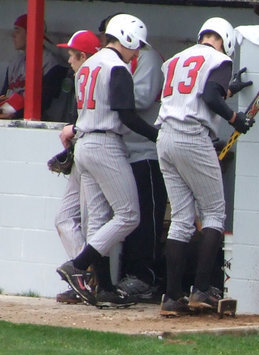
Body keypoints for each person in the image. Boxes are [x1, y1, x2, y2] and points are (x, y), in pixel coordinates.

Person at [55, 14, 158, 307]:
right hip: (105, 144)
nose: (137, 51)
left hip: (84, 144)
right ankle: (78, 265)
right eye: (135, 44)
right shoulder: (117, 67)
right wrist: (156, 135)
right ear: (124, 38)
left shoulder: (87, 65)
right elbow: (126, 114)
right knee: (128, 215)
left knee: (98, 221)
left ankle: (105, 289)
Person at [155, 17, 253, 317]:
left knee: (183, 217)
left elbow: (194, 92)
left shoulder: (175, 58)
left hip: (164, 137)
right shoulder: (220, 58)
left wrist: (228, 91)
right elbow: (209, 96)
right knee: (214, 213)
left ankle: (172, 297)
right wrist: (235, 119)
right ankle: (200, 289)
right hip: (192, 136)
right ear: (225, 39)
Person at [103, 14, 166, 303]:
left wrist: (113, 93)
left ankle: (145, 277)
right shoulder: (110, 62)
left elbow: (140, 98)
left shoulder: (147, 57)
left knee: (146, 218)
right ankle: (119, 276)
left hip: (146, 151)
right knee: (124, 217)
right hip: (122, 151)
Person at [50, 29, 103, 304]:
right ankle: (81, 277)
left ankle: (88, 279)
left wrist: (74, 129)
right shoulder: (84, 78)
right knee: (64, 219)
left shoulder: (95, 77)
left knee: (92, 219)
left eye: (73, 55)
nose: (69, 61)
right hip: (84, 153)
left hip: (97, 156)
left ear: (84, 55)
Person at [1, 13, 71, 121]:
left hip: (42, 126)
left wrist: (14, 114)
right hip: (13, 119)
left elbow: (45, 102)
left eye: (17, 30)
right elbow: (4, 94)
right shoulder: (15, 63)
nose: (13, 35)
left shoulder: (53, 64)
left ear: (31, 33)